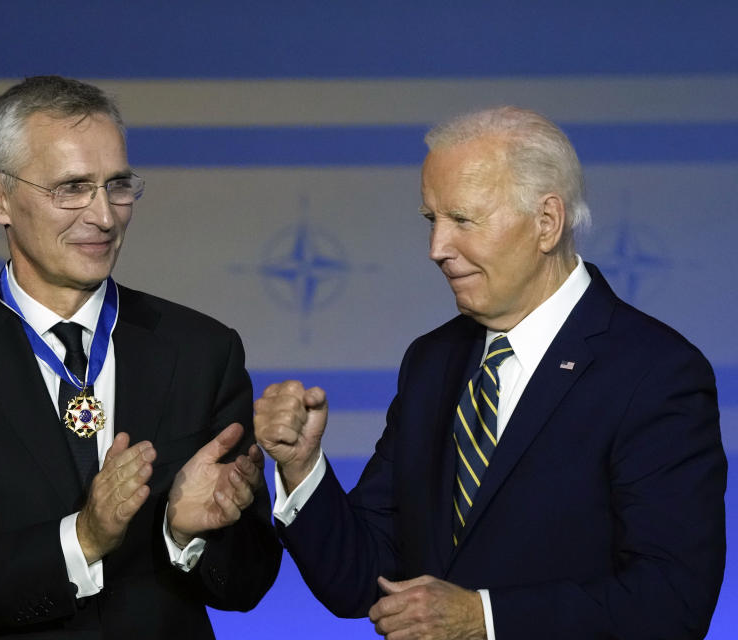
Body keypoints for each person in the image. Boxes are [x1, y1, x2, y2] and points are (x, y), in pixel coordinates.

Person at [254, 106, 725, 639]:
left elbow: (671, 602)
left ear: (547, 223)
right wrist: (301, 467)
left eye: (463, 220)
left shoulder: (655, 372)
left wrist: (485, 619)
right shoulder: (431, 362)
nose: (436, 249)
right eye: (432, 220)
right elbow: (364, 581)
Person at [0, 75, 281, 639]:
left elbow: (251, 582)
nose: (104, 216)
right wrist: (81, 540)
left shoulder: (202, 350)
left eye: (118, 186)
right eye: (72, 188)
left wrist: (187, 537)